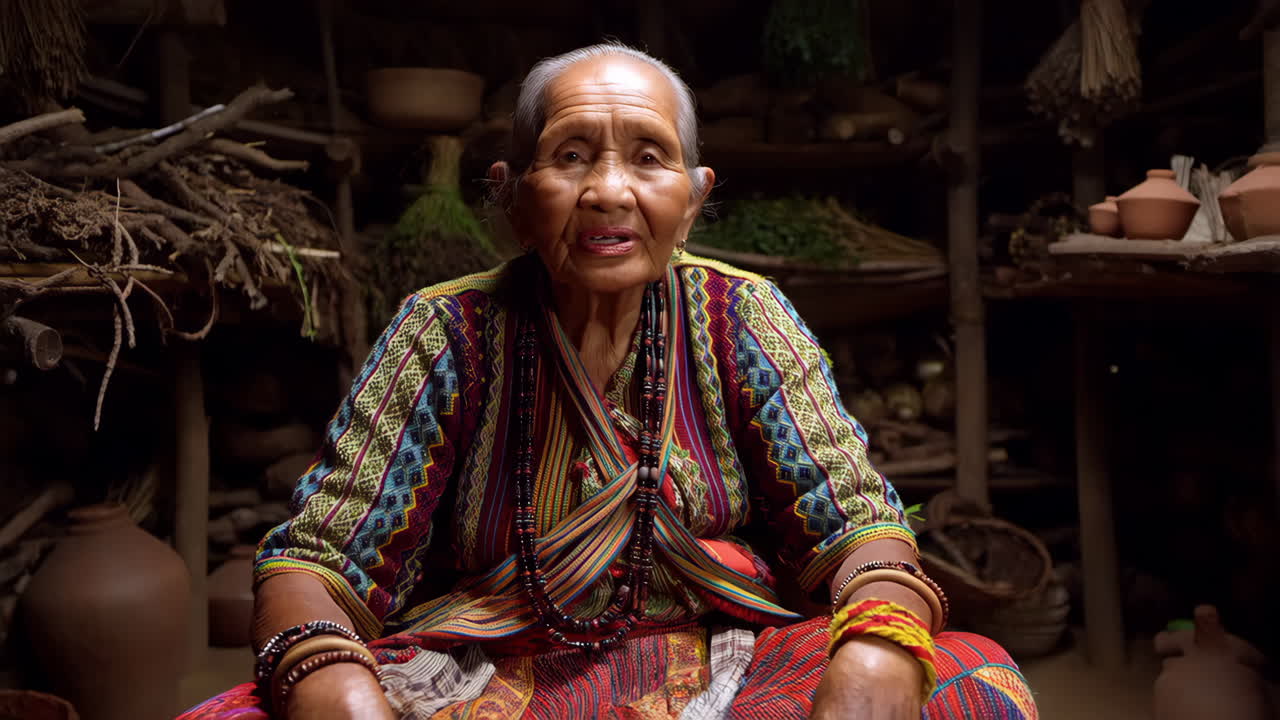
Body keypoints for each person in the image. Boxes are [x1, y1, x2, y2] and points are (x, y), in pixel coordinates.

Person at [180, 43, 1037, 720]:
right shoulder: (443, 334)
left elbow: (857, 526)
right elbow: (317, 561)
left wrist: (878, 647)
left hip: (725, 663)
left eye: (650, 158)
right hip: (485, 672)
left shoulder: (742, 318)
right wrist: (332, 681)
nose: (610, 192)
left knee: (972, 684)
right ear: (513, 195)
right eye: (572, 155)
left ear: (695, 197)